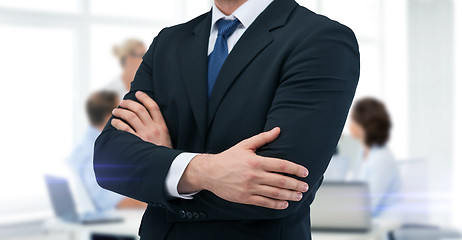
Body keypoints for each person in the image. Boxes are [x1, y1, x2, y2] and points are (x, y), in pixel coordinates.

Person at [93, 0, 360, 239]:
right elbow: (109, 162)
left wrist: (163, 162)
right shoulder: (169, 42)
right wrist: (203, 171)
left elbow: (278, 190)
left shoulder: (322, 39)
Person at [67, 90, 146, 211]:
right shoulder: (96, 151)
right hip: (110, 224)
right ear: (109, 117)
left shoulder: (84, 147)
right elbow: (111, 201)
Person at [348, 97, 401, 217]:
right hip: (363, 222)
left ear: (364, 125)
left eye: (353, 120)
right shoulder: (363, 152)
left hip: (382, 229)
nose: (350, 124)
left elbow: (368, 206)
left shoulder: (382, 160)